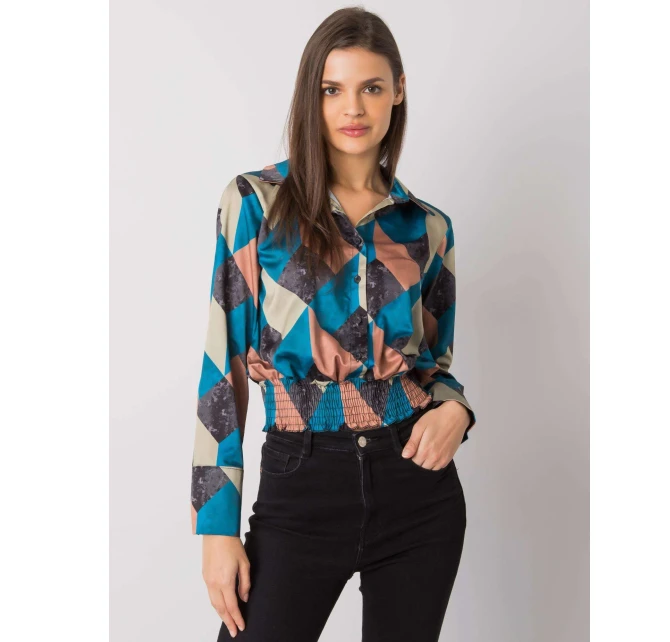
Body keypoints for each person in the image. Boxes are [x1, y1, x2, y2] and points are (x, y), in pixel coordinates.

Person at [190, 7, 477, 641]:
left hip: (418, 494)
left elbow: (433, 366)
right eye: (331, 89)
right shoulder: (256, 204)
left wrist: (456, 410)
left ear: (398, 91)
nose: (353, 108)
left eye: (371, 87)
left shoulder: (427, 227)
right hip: (300, 486)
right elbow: (223, 368)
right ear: (310, 95)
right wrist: (216, 526)